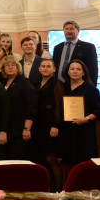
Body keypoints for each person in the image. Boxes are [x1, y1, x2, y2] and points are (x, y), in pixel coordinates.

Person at [61, 59, 100, 166]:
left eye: (78, 69)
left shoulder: (91, 89)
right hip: (66, 130)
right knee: (68, 162)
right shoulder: (62, 88)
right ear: (68, 72)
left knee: (84, 162)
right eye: (72, 69)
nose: (75, 71)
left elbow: (99, 111)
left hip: (84, 131)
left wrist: (86, 119)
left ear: (83, 72)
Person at [34, 58, 64, 191]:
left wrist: (56, 125)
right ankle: (49, 189)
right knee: (42, 158)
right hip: (39, 123)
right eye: (43, 66)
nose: (45, 68)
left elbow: (59, 106)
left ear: (54, 69)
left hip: (51, 123)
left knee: (51, 158)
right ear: (39, 69)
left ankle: (58, 190)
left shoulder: (57, 84)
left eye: (48, 66)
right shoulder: (35, 83)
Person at [1, 57, 37, 160]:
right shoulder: (4, 83)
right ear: (3, 69)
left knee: (18, 159)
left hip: (21, 129)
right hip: (8, 129)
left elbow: (32, 106)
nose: (10, 67)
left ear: (18, 67)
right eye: (7, 65)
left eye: (13, 65)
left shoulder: (24, 82)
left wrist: (27, 128)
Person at [53, 21, 99, 85]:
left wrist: (92, 86)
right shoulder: (57, 48)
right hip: (59, 85)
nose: (69, 31)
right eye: (66, 29)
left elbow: (93, 69)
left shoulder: (88, 47)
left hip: (79, 85)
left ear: (78, 31)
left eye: (72, 29)